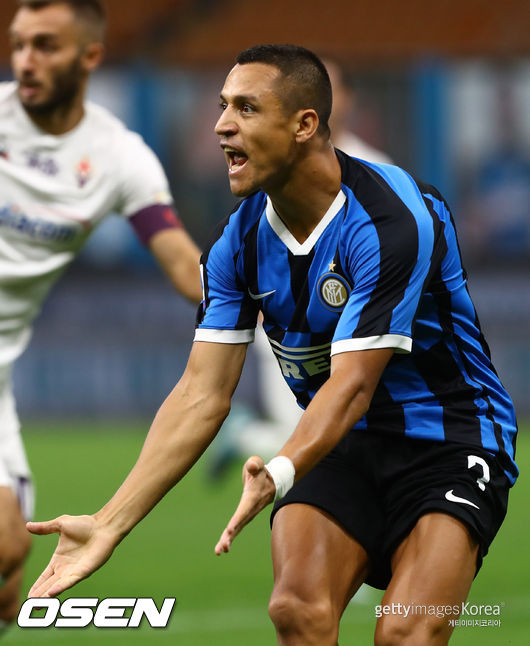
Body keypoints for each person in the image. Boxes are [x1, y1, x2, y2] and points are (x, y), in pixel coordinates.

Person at [28, 45, 518, 646]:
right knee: (296, 610)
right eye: (222, 106)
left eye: (246, 108)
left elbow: (353, 386)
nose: (221, 125)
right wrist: (109, 523)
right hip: (341, 444)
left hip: (449, 440)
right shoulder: (235, 242)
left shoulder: (392, 218)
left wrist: (280, 471)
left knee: (406, 631)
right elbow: (202, 393)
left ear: (304, 124)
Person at [0, 0, 202, 631]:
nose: (25, 60)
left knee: (9, 553)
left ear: (89, 56)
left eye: (45, 45)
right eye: (18, 44)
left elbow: (182, 263)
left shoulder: (118, 157)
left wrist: (267, 298)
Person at [208, 57, 395, 476]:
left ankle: (244, 435)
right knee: (304, 436)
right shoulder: (269, 162)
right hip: (290, 324)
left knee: (331, 436)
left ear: (345, 98)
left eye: (334, 87)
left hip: (354, 324)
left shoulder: (377, 168)